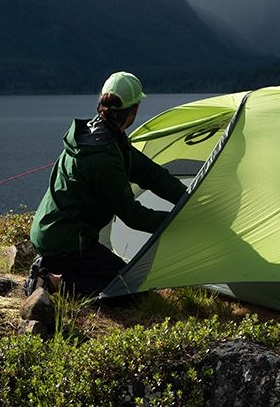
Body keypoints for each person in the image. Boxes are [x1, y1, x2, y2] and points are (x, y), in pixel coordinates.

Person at [27, 71, 187, 298]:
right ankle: (51, 282)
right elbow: (133, 216)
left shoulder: (100, 134)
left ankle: (52, 265)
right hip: (67, 240)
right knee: (128, 289)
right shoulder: (103, 155)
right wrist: (179, 221)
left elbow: (151, 174)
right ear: (134, 110)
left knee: (120, 279)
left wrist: (189, 198)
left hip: (56, 231)